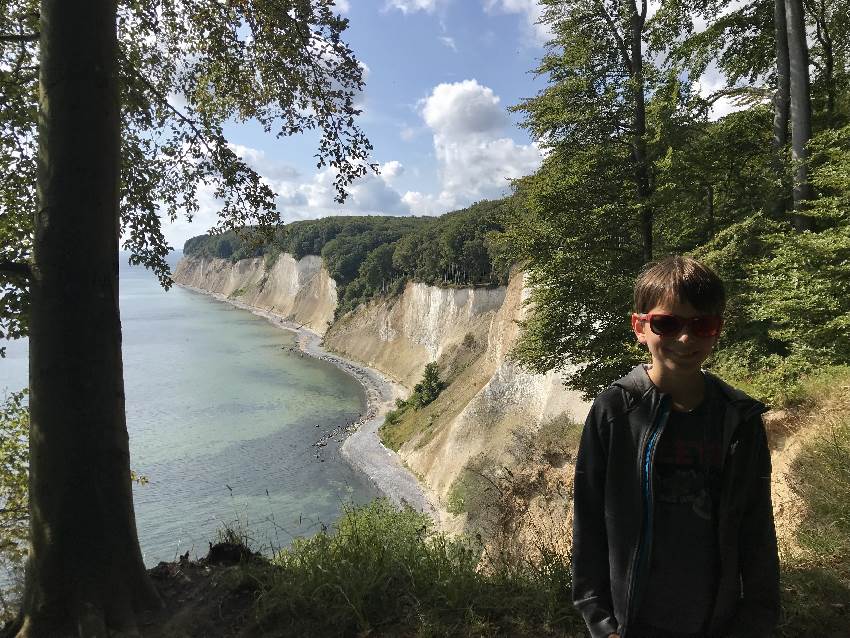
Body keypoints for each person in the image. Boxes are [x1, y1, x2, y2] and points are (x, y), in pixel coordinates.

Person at [571, 256, 779, 638]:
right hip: (634, 622)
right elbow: (589, 520)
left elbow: (757, 529)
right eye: (667, 324)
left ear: (718, 329)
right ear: (640, 327)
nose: (685, 338)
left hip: (718, 622)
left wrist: (757, 619)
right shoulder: (615, 412)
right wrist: (601, 623)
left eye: (703, 324)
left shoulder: (739, 420)